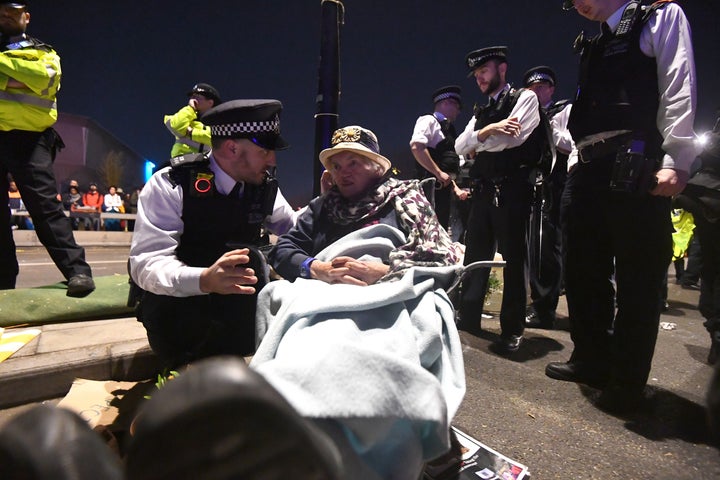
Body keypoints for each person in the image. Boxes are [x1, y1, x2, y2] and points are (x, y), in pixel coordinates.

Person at [262, 125, 465, 479]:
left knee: (394, 338)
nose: (343, 172)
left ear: (377, 166)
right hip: (326, 293)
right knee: (307, 336)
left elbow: (441, 254)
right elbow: (284, 249)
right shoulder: (323, 207)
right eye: (337, 166)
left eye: (353, 162)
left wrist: (387, 269)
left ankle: (396, 429)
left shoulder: (406, 198)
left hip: (389, 293)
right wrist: (317, 267)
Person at [546, 0, 698, 413]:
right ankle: (592, 359)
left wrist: (676, 160)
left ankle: (627, 382)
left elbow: (677, 85)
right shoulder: (594, 43)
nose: (576, 4)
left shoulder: (659, 17)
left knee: (638, 279)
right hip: (588, 166)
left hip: (635, 161)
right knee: (582, 271)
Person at [129, 99, 297, 369]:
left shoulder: (263, 187)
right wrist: (205, 279)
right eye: (265, 150)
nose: (273, 160)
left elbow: (295, 230)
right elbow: (145, 264)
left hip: (237, 313)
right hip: (180, 316)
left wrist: (327, 207)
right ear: (232, 148)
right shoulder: (172, 183)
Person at [454, 46, 545, 354]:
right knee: (475, 256)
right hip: (482, 190)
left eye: (484, 72)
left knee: (513, 259)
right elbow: (459, 146)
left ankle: (512, 328)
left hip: (512, 189)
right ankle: (468, 317)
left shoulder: (524, 98)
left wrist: (479, 141)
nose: (479, 79)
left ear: (501, 68)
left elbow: (513, 138)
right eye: (477, 75)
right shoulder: (482, 111)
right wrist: (489, 130)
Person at [0, 1, 94, 296]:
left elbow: (42, 79)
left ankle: (77, 271)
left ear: (26, 17)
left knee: (45, 208)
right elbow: (26, 81)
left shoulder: (44, 53)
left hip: (30, 140)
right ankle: (3, 285)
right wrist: (17, 77)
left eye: (12, 12)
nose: (5, 16)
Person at [523, 66, 574, 329]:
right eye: (531, 89)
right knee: (534, 246)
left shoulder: (563, 110)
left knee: (546, 245)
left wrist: (548, 127)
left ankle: (544, 309)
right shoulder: (524, 116)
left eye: (541, 87)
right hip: (530, 183)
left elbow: (571, 144)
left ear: (551, 89)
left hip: (555, 182)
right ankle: (539, 299)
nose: (536, 92)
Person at [674, 115, 720, 365]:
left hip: (705, 193)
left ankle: (715, 330)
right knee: (710, 265)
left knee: (710, 266)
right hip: (707, 194)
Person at [410, 85, 466, 230]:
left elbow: (446, 165)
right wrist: (438, 173)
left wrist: (455, 188)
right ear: (446, 102)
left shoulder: (449, 128)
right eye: (457, 106)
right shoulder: (428, 120)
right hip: (429, 190)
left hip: (443, 191)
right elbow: (417, 147)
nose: (459, 111)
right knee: (428, 231)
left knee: (441, 230)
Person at [164, 82, 221, 158]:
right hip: (181, 163)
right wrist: (191, 108)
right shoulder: (186, 114)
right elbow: (176, 126)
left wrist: (191, 132)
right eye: (192, 96)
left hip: (207, 165)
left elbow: (216, 139)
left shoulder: (220, 122)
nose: (192, 99)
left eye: (197, 97)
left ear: (210, 102)